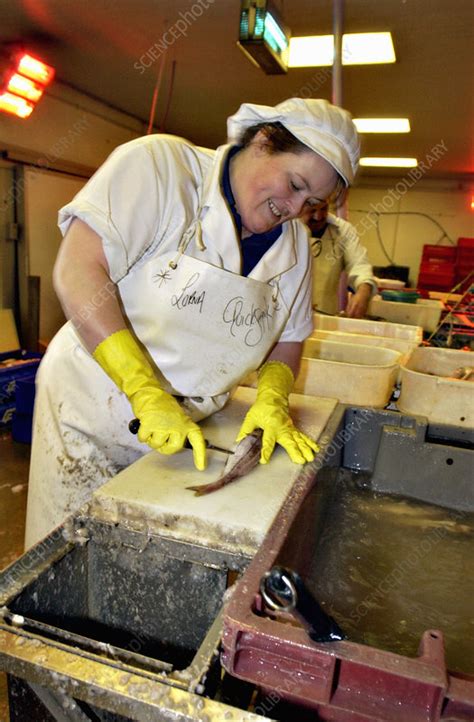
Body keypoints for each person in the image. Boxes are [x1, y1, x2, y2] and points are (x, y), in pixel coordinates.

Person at [24, 97, 360, 548]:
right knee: (67, 552)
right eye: (294, 183)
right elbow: (79, 270)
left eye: (311, 200)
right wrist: (144, 389)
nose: (295, 207)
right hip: (89, 409)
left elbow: (290, 337)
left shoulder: (296, 247)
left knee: (143, 559)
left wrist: (273, 398)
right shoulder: (162, 168)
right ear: (263, 141)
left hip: (189, 429)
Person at [305, 201, 376, 317]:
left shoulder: (343, 230)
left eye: (323, 209)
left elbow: (359, 264)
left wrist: (364, 290)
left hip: (325, 319)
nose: (318, 217)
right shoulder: (283, 228)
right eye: (312, 210)